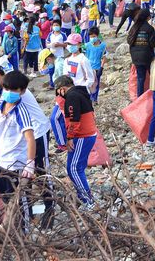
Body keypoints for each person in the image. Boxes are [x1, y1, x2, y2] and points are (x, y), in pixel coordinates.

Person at [0, 71, 36, 230]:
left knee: (21, 200)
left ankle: (25, 232)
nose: (9, 93)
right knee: (6, 197)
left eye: (14, 90)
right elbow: (0, 126)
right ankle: (12, 227)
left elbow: (30, 138)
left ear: (22, 91)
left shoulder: (21, 111)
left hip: (16, 162)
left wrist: (29, 164)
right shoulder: (1, 103)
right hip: (1, 160)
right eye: (7, 89)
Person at [56, 75, 98, 209]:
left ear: (62, 89)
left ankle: (88, 200)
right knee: (74, 167)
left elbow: (74, 120)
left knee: (74, 168)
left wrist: (69, 137)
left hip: (82, 136)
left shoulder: (72, 97)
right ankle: (83, 197)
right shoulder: (80, 92)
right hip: (86, 134)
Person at [127, 9, 155, 97]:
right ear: (148, 17)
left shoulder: (134, 28)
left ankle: (140, 98)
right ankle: (153, 94)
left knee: (140, 78)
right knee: (152, 75)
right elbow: (152, 43)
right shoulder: (149, 28)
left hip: (135, 57)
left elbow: (129, 41)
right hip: (147, 56)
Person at [84, 27, 106, 103]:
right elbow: (84, 56)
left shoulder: (102, 46)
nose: (92, 38)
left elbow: (104, 57)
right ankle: (89, 98)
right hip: (88, 68)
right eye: (90, 37)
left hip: (97, 68)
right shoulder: (87, 45)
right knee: (89, 84)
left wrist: (101, 68)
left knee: (96, 84)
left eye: (93, 36)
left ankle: (94, 99)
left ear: (97, 36)